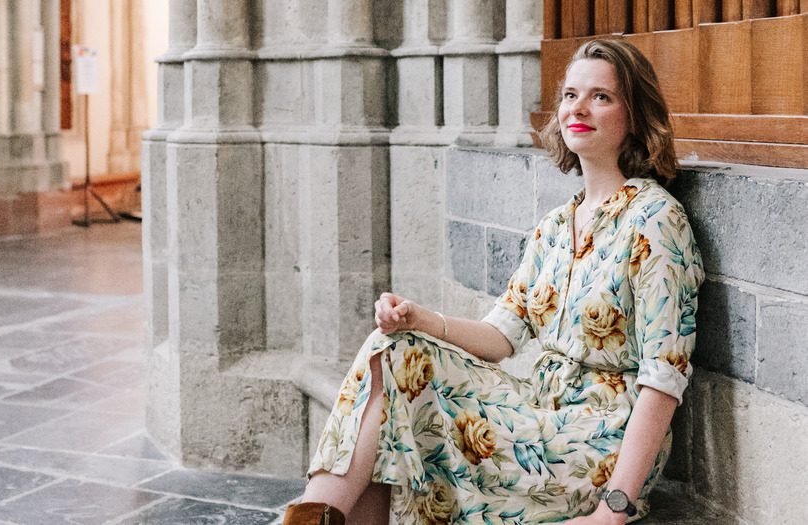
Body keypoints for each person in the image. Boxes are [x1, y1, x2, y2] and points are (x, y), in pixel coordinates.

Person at [283, 39, 705, 525]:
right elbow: (500, 336)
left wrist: (614, 510)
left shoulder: (655, 219)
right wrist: (417, 318)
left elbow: (663, 378)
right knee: (394, 349)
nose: (578, 108)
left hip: (598, 443)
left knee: (396, 394)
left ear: (635, 115)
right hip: (536, 411)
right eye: (570, 95)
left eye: (601, 97)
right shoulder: (555, 226)